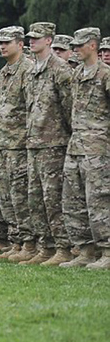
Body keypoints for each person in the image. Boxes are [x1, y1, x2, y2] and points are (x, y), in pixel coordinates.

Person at [21, 22, 73, 265]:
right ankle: (46, 246)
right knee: (35, 199)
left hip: (54, 144)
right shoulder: (32, 70)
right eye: (30, 38)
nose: (32, 42)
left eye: (37, 38)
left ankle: (63, 246)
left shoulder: (60, 70)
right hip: (34, 144)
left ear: (49, 41)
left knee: (53, 199)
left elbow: (70, 109)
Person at [61, 27, 110, 269]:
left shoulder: (105, 75)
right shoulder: (77, 74)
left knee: (98, 201)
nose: (75, 49)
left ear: (93, 45)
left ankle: (107, 251)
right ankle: (86, 250)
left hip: (98, 149)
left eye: (80, 45)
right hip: (76, 146)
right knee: (73, 201)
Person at [0, 27, 37, 262]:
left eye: (7, 42)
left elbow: (33, 108)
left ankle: (29, 243)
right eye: (0, 42)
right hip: (3, 145)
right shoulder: (4, 72)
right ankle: (16, 241)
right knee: (6, 196)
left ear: (20, 44)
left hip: (19, 145)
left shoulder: (27, 70)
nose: (2, 46)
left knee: (20, 195)